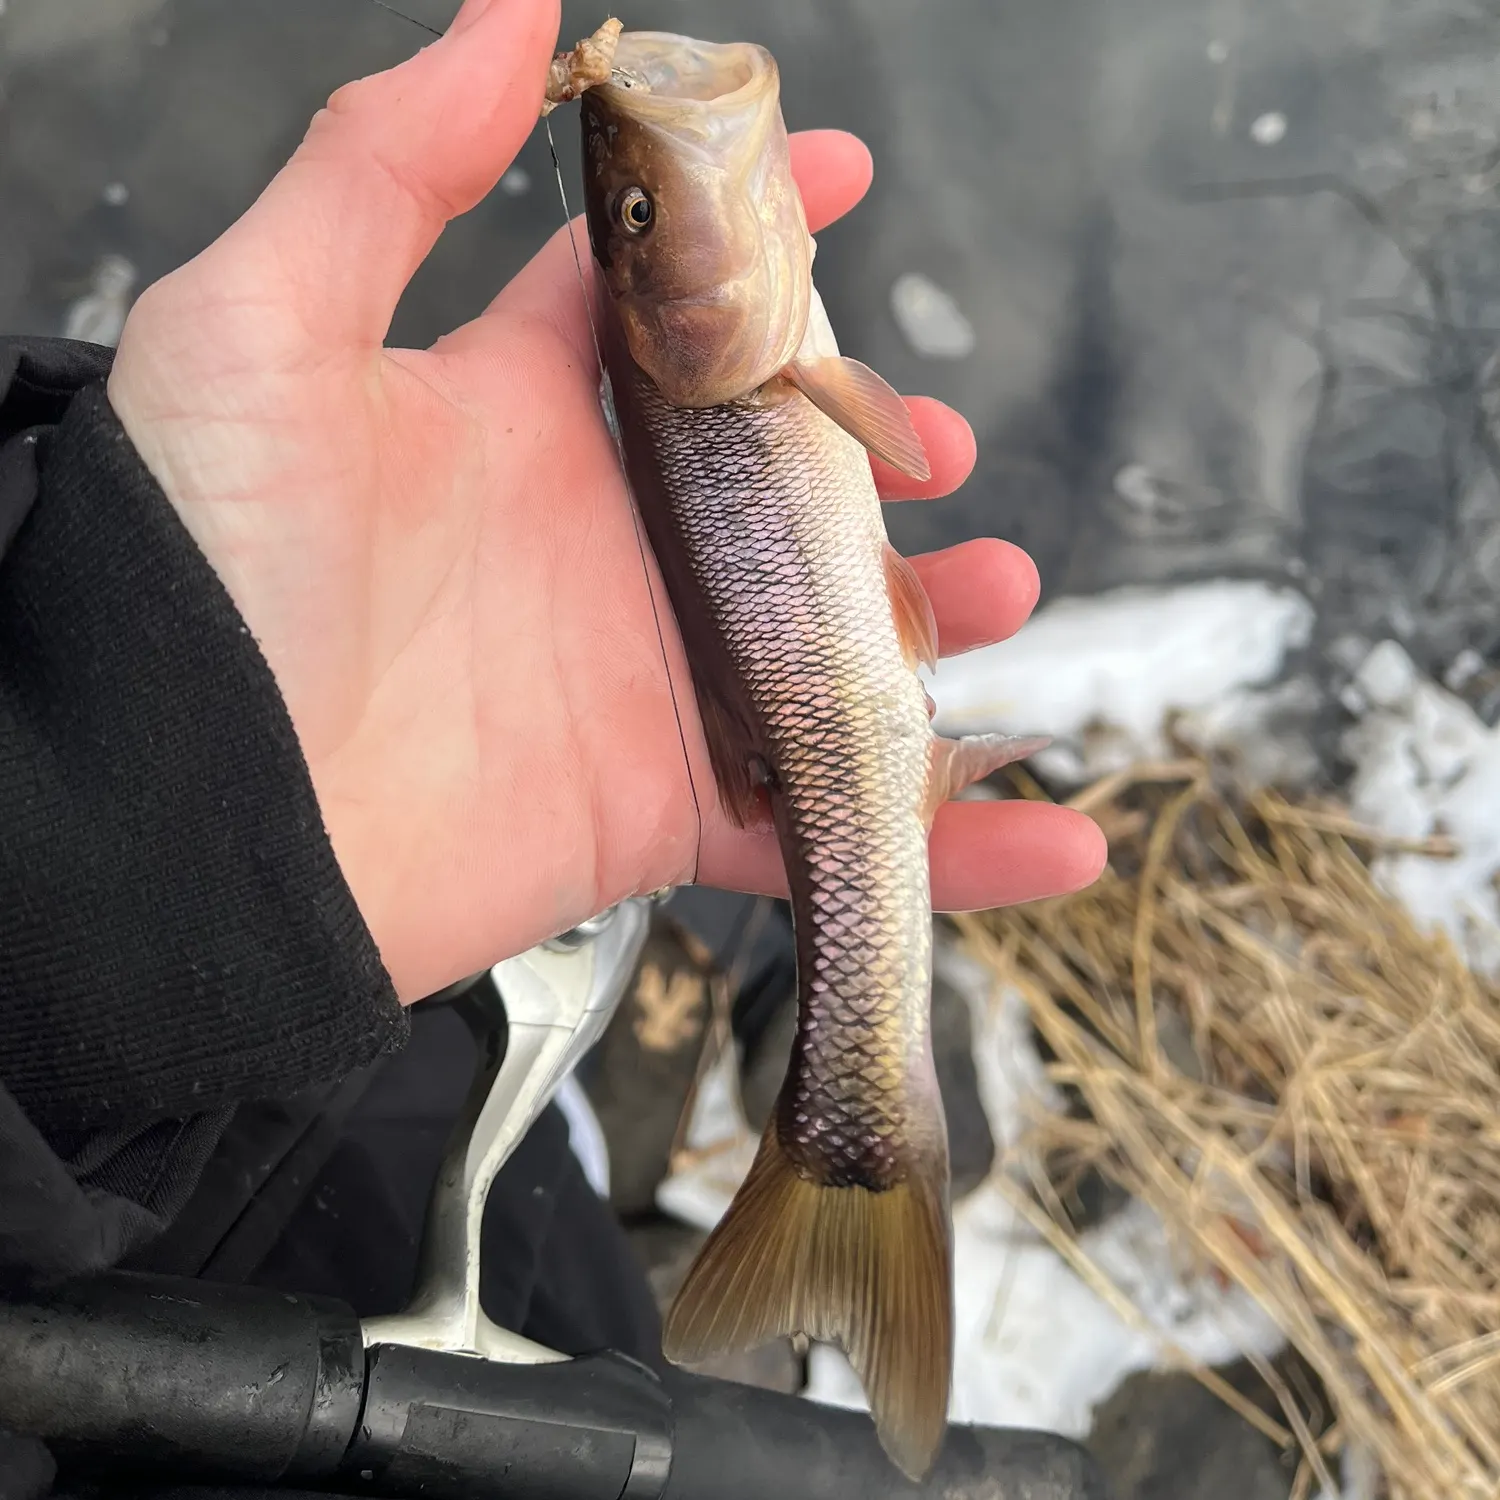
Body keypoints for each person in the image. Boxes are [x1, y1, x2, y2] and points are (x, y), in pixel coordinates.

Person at [0, 0, 1106, 1493]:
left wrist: (128, 787)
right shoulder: (766, 358)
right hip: (189, 1141)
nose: (646, 190)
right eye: (643, 213)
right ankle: (755, 1096)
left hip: (183, 1100)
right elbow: (892, 447)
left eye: (634, 211)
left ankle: (652, 1116)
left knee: (559, 1297)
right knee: (560, 1317)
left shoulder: (740, 357)